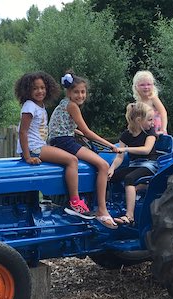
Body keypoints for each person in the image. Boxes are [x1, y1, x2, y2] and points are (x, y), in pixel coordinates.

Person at [14, 71, 94, 220]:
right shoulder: (29, 106)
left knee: (67, 160)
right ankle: (75, 202)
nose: (40, 91)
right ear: (27, 90)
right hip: (34, 148)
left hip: (39, 146)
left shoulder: (40, 106)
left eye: (42, 88)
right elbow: (22, 132)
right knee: (72, 160)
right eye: (35, 88)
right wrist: (28, 157)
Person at [48, 71, 119, 229]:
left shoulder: (63, 103)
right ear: (68, 92)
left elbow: (65, 126)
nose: (80, 95)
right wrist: (110, 145)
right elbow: (87, 132)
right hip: (65, 142)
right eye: (76, 92)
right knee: (103, 165)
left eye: (83, 92)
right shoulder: (72, 106)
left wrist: (78, 133)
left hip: (58, 140)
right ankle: (102, 209)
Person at [108, 102, 158, 226]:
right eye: (150, 120)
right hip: (134, 164)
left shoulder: (150, 133)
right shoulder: (126, 135)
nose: (153, 123)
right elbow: (119, 157)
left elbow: (146, 149)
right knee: (108, 177)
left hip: (149, 164)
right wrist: (112, 168)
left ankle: (129, 216)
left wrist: (125, 150)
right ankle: (106, 209)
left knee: (129, 178)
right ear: (139, 120)